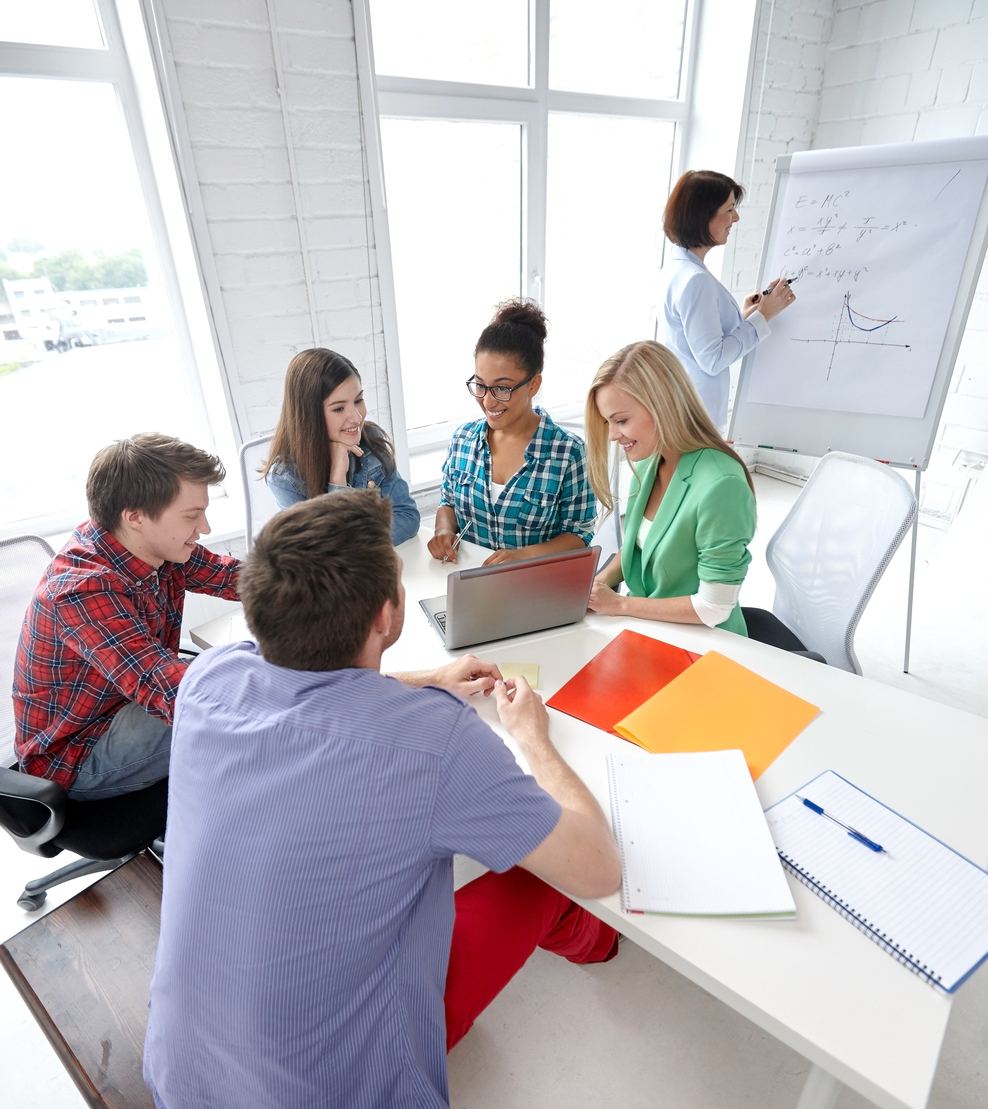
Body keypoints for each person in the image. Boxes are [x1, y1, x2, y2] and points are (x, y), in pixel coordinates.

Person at [143, 490, 621, 1109]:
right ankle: (604, 945)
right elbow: (597, 867)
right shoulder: (436, 739)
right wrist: (533, 739)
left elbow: (311, 686)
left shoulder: (210, 678)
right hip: (338, 1092)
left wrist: (429, 677)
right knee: (541, 876)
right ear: (385, 616)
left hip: (182, 1076)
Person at [13, 433, 240, 798]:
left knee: (245, 679)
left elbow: (233, 576)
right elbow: (163, 685)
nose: (206, 528)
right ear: (135, 516)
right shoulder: (82, 589)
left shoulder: (149, 543)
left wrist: (326, 586)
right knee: (245, 718)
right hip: (78, 753)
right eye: (192, 516)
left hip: (125, 700)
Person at [584, 341, 756, 636]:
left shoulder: (721, 485)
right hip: (648, 628)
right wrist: (598, 583)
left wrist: (619, 605)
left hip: (703, 643)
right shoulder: (651, 462)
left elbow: (714, 607)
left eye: (621, 420)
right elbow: (642, 545)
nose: (612, 435)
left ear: (662, 405)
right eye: (607, 422)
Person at [428, 299, 596, 566]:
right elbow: (447, 501)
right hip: (471, 583)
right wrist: (443, 530)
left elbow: (578, 534)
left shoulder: (569, 453)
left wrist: (522, 556)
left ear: (533, 385)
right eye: (480, 385)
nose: (488, 401)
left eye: (502, 388)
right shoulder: (462, 440)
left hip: (535, 587)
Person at [659, 169, 796, 426]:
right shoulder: (695, 280)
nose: (736, 217)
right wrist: (763, 315)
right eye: (730, 209)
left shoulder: (678, 267)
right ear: (704, 215)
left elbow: (695, 341)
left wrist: (745, 316)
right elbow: (712, 360)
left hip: (681, 407)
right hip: (695, 416)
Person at [264, 347, 420, 545]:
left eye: (359, 400)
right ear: (309, 415)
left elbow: (408, 516)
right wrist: (337, 478)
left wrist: (357, 544)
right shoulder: (284, 477)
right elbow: (325, 553)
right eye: (338, 408)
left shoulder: (371, 440)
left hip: (377, 566)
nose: (356, 417)